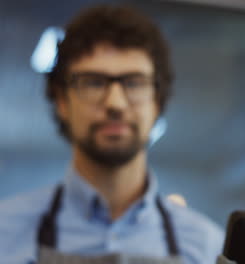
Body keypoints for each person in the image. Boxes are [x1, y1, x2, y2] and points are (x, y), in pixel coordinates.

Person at [0, 4, 224, 264]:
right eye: (93, 82)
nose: (115, 103)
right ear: (62, 101)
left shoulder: (208, 248)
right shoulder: (5, 235)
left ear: (157, 101)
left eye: (134, 83)